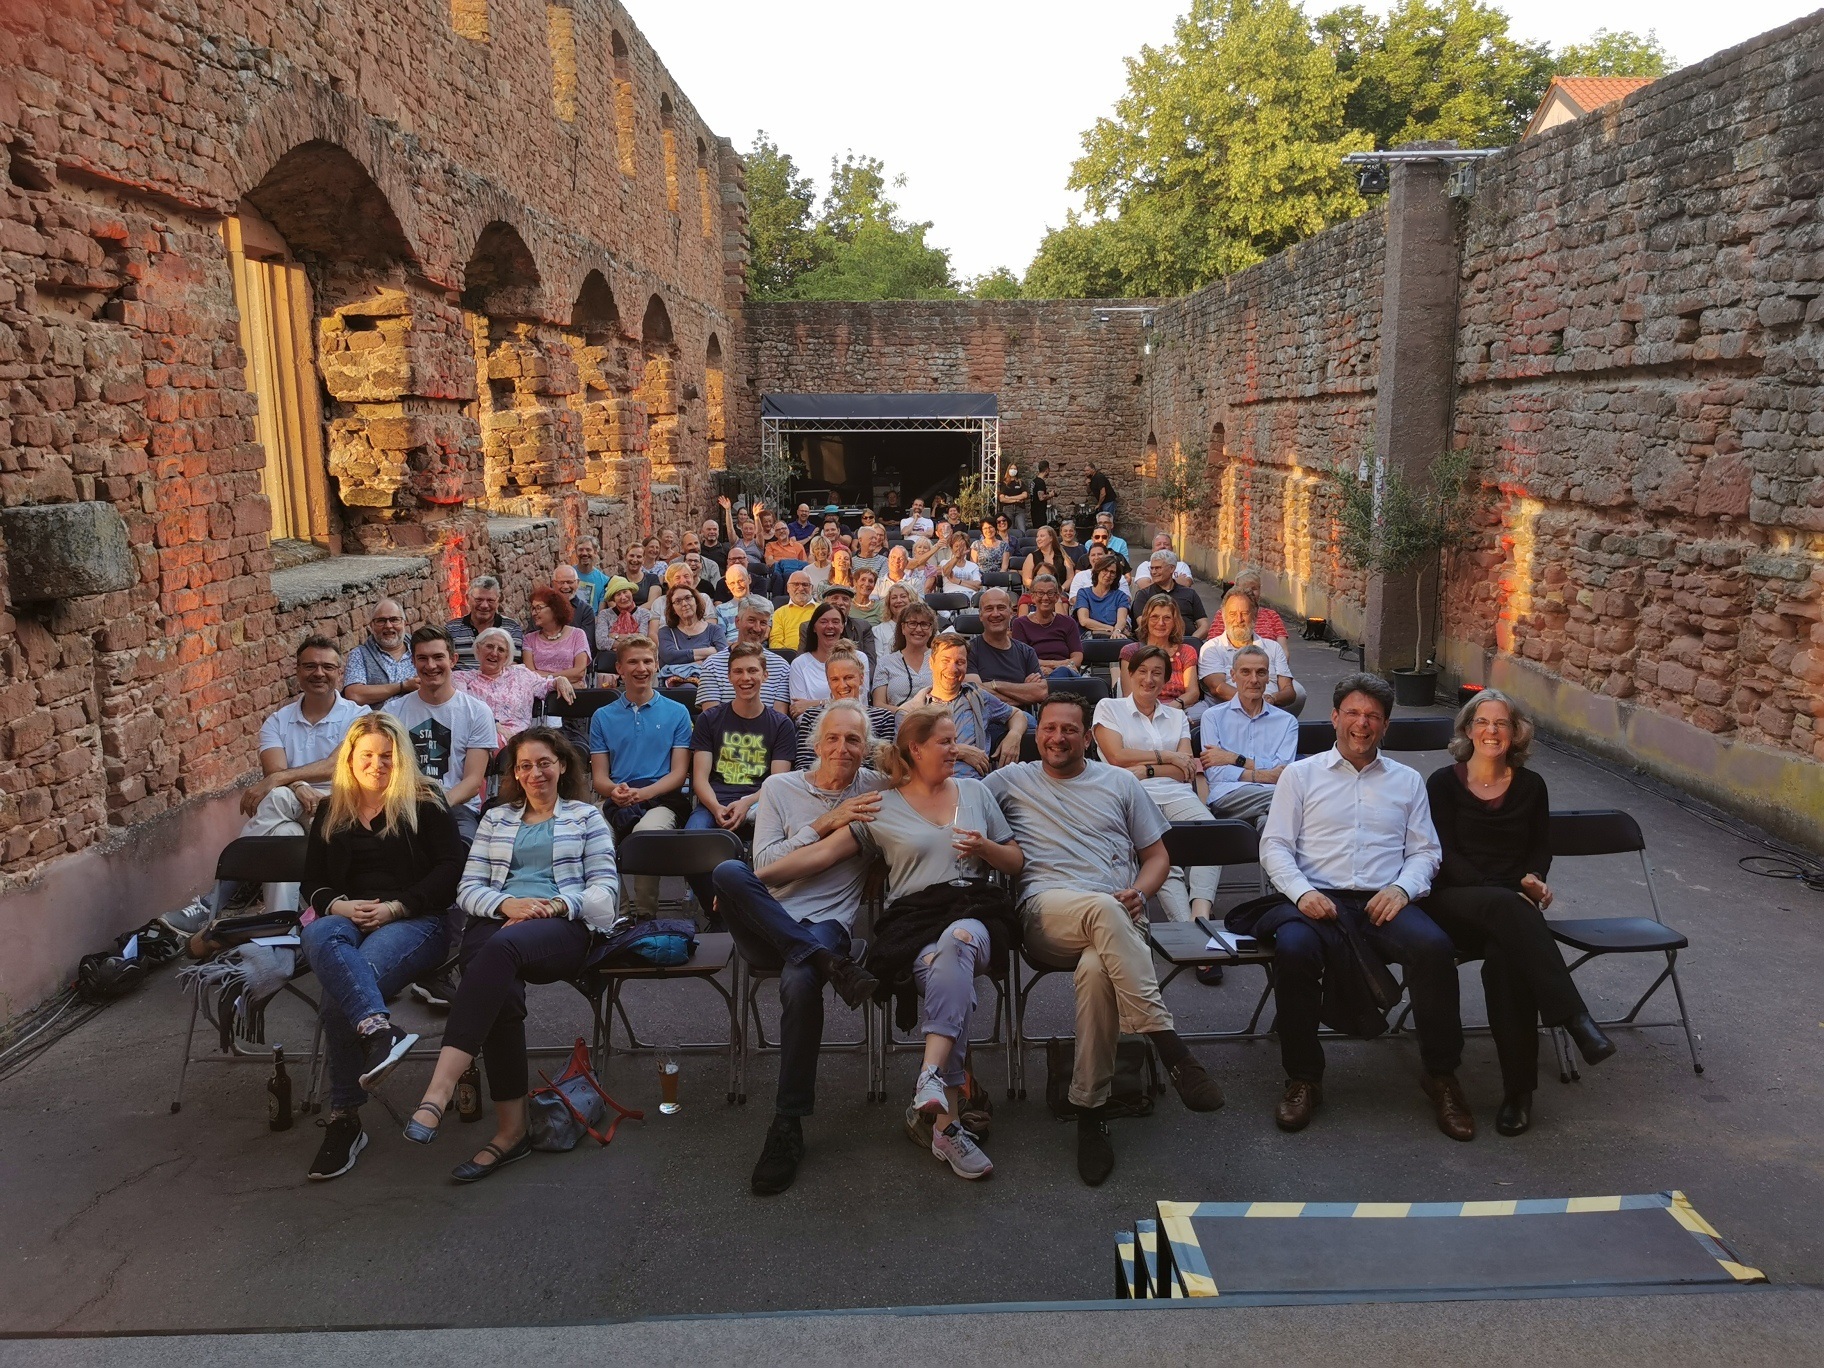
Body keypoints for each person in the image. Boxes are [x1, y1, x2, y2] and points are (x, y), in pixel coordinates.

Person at [762, 706, 1023, 1179]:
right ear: (915, 750)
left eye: (957, 741)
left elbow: (1015, 861)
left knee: (959, 942)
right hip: (916, 927)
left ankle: (931, 1078)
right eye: (946, 741)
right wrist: (750, 879)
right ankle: (945, 1123)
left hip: (976, 915)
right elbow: (818, 855)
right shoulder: (880, 806)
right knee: (948, 963)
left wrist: (985, 849)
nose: (956, 748)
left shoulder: (976, 791)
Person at [985, 693, 1223, 1185]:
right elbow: (948, 797)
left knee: (1097, 971)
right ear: (1038, 733)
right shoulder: (1009, 782)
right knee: (1102, 909)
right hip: (1048, 913)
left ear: (1088, 737)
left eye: (1069, 729)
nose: (1058, 737)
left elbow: (1157, 857)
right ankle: (1168, 1044)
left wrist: (1140, 890)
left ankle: (1089, 1110)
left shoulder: (1119, 782)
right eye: (1049, 728)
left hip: (1120, 914)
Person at [1240, 673, 1467, 1140]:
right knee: (1296, 951)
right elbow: (1276, 846)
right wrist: (1302, 893)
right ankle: (1304, 1077)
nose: (1362, 725)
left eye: (1373, 717)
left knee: (1434, 948)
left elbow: (1426, 852)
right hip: (1316, 898)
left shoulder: (1407, 781)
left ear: (1385, 726)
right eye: (1353, 714)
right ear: (1334, 717)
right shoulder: (1301, 776)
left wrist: (1403, 890)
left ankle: (1441, 1074)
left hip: (1386, 900)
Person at [404, 729, 620, 1183]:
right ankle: (511, 1131)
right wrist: (507, 905)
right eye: (524, 766)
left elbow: (605, 894)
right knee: (497, 979)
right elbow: (469, 889)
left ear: (562, 766)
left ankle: (439, 1093)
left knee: (497, 951)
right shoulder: (496, 819)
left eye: (544, 762)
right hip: (499, 922)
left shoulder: (586, 818)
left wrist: (556, 904)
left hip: (563, 929)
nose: (535, 773)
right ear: (514, 775)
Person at [712, 701, 886, 1194]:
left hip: (827, 923)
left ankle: (786, 1123)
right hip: (771, 920)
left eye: (853, 740)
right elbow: (763, 863)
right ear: (816, 743)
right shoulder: (779, 787)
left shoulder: (875, 788)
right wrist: (826, 824)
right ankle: (833, 964)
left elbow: (924, 781)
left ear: (865, 748)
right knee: (728, 871)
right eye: (833, 738)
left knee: (799, 978)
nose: (842, 748)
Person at [1424, 690, 1614, 1137]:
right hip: (1453, 902)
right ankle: (1575, 1019)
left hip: (1512, 912)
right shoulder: (1441, 783)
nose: (1492, 731)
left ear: (1515, 732)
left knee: (1508, 964)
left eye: (1502, 723)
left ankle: (1518, 1092)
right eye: (1483, 722)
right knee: (1510, 911)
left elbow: (1538, 849)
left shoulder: (1531, 786)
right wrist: (1513, 892)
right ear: (1468, 730)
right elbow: (1444, 856)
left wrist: (1533, 877)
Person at [297, 712, 463, 1180]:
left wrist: (396, 907)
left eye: (387, 757)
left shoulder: (425, 800)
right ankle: (378, 1031)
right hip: (348, 918)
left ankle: (345, 1119)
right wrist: (341, 907)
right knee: (318, 933)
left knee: (341, 989)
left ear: (402, 758)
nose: (377, 765)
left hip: (416, 921)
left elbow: (451, 870)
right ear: (349, 759)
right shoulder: (333, 809)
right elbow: (311, 881)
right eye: (366, 756)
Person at [220, 638, 368, 918]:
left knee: (276, 795)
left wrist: (285, 780)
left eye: (327, 666)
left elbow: (335, 766)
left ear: (340, 672)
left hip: (340, 811)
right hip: (292, 810)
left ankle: (231, 882)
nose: (318, 673)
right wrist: (298, 785)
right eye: (310, 666)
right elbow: (273, 772)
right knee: (284, 833)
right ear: (297, 670)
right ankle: (282, 930)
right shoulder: (277, 721)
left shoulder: (359, 717)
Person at [1093, 646, 1218, 924]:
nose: (1149, 679)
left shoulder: (1176, 717)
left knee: (1212, 836)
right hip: (1131, 795)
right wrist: (1168, 757)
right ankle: (1185, 927)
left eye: (1157, 673)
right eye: (1142, 671)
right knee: (1162, 854)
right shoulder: (1109, 708)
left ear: (1165, 680)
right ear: (1131, 673)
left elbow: (1185, 769)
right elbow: (1116, 757)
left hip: (1175, 792)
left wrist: (1148, 768)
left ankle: (1202, 917)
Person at [587, 636, 692, 916]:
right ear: (620, 668)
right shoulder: (602, 716)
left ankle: (646, 914)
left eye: (647, 661)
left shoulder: (677, 712)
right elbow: (599, 778)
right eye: (633, 661)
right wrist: (616, 792)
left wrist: (642, 794)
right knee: (592, 832)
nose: (641, 668)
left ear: (657, 664)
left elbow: (679, 773)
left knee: (645, 833)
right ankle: (615, 915)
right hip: (617, 797)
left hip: (661, 799)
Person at [384, 627, 495, 843]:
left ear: (453, 660)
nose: (431, 665)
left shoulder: (477, 712)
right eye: (422, 658)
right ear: (413, 662)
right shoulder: (393, 712)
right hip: (404, 805)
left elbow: (472, 782)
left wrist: (438, 804)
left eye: (438, 657)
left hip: (457, 808)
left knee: (461, 848)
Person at [689, 643, 796, 836]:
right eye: (738, 671)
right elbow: (700, 779)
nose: (745, 678)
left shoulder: (782, 725)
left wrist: (746, 803)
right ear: (729, 676)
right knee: (692, 836)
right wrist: (716, 808)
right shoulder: (709, 719)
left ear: (765, 675)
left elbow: (777, 783)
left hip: (761, 804)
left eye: (752, 670)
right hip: (713, 803)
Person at [1198, 645, 1297, 823]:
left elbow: (1283, 772)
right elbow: (1215, 773)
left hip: (1270, 795)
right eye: (1245, 672)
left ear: (1268, 677)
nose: (1254, 680)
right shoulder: (1212, 717)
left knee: (1267, 821)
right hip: (1229, 795)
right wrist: (1265, 774)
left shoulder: (1287, 722)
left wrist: (1234, 758)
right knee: (1293, 799)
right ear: (1233, 676)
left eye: (1260, 672)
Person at [903, 633, 1025, 777]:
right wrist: (960, 751)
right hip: (930, 789)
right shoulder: (910, 711)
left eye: (960, 662)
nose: (953, 669)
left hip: (975, 786)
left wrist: (1014, 735)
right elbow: (905, 756)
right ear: (931, 663)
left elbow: (1016, 714)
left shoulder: (979, 698)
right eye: (946, 661)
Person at [1193, 588, 1304, 720]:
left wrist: (1272, 699)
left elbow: (1289, 691)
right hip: (1226, 715)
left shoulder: (1273, 647)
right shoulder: (1212, 648)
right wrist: (1256, 702)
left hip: (1269, 713)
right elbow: (1217, 688)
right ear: (1223, 616)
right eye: (1232, 614)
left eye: (1244, 613)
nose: (1239, 620)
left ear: (1255, 615)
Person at [454, 626, 575, 746]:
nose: (494, 653)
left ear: (507, 656)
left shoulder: (521, 675)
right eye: (489, 646)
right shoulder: (462, 678)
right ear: (478, 648)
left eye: (501, 650)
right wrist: (495, 725)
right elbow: (464, 709)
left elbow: (545, 686)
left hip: (520, 742)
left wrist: (560, 680)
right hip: (480, 738)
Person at [796, 650, 898, 771]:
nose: (842, 685)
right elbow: (803, 766)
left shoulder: (883, 717)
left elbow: (881, 767)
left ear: (861, 678)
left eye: (848, 677)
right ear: (828, 682)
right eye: (835, 679)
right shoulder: (812, 715)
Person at [698, 597, 792, 714]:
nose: (757, 628)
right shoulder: (712, 665)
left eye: (763, 623)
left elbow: (779, 720)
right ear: (737, 622)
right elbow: (711, 720)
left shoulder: (781, 666)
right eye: (751, 620)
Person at [969, 587, 1051, 706]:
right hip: (985, 722)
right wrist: (1023, 690)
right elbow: (975, 694)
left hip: (1026, 722)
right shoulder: (969, 651)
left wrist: (994, 685)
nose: (996, 614)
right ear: (980, 615)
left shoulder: (1027, 652)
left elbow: (1041, 692)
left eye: (1001, 607)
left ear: (1011, 613)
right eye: (989, 609)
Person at [1121, 596, 1199, 708]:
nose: (1161, 623)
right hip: (1140, 711)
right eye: (1154, 617)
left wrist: (1173, 707)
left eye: (1167, 618)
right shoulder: (1130, 652)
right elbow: (1129, 694)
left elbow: (1193, 693)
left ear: (1175, 622)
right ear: (1146, 620)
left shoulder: (1187, 651)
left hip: (1177, 710)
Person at [789, 612, 872, 714]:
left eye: (835, 622)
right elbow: (798, 711)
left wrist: (817, 703)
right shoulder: (799, 663)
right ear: (814, 627)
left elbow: (860, 701)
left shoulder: (859, 657)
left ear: (842, 627)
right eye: (823, 622)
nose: (830, 626)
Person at [342, 600, 417, 706]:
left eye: (394, 619)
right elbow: (354, 695)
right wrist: (402, 686)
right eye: (381, 621)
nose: (388, 626)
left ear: (404, 623)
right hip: (378, 721)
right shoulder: (359, 655)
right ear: (371, 626)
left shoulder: (419, 649)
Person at [655, 579, 725, 685]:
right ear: (673, 608)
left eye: (688, 598)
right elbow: (669, 656)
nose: (684, 604)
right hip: (679, 685)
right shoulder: (666, 632)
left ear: (696, 601)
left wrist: (685, 658)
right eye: (678, 601)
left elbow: (724, 657)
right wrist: (709, 651)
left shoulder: (714, 630)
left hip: (711, 682)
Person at [1010, 575, 1083, 676]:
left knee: (1062, 672)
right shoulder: (1020, 624)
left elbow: (1077, 658)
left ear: (1057, 597)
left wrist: (1055, 668)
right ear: (1032, 597)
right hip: (1035, 674)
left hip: (1067, 674)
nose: (1045, 598)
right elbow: (1023, 659)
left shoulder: (1068, 622)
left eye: (1050, 593)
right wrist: (1059, 664)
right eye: (1040, 593)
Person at [446, 577, 523, 671]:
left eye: (490, 600)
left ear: (498, 601)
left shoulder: (511, 628)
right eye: (479, 600)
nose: (484, 605)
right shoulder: (451, 630)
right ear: (467, 599)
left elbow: (512, 667)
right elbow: (446, 663)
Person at [1130, 551, 1209, 639]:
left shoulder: (1190, 593)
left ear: (1171, 568)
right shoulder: (1143, 595)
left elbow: (1204, 625)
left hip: (1188, 642)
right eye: (1151, 568)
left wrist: (1192, 641)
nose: (1153, 572)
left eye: (1158, 568)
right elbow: (1143, 626)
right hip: (1157, 646)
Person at [873, 601, 937, 708]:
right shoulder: (885, 662)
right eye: (912, 623)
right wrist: (905, 714)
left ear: (931, 629)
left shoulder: (941, 659)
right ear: (903, 628)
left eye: (924, 624)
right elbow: (878, 704)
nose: (918, 629)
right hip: (896, 721)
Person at [523, 587, 591, 687]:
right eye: (533, 608)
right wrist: (559, 682)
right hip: (540, 697)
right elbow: (530, 676)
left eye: (538, 608)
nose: (533, 613)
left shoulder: (577, 635)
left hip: (574, 695)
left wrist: (547, 676)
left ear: (555, 608)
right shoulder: (529, 639)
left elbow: (579, 672)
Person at [1074, 556, 1131, 639]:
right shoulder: (1084, 593)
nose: (1108, 575)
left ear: (1116, 576)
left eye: (1112, 572)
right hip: (1089, 638)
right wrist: (1112, 629)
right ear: (1098, 571)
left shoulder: (1121, 596)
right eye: (1105, 570)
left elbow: (1121, 620)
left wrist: (1117, 631)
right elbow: (1084, 621)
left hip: (1114, 637)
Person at [1230, 569, 1289, 642]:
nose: (1250, 592)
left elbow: (1283, 650)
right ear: (1236, 590)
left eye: (1254, 589)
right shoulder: (1224, 616)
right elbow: (1214, 648)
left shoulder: (1272, 616)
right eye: (1245, 589)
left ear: (1260, 589)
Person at [769, 571, 817, 652]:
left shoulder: (822, 610)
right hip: (788, 659)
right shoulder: (779, 613)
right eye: (796, 584)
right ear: (788, 588)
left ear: (811, 588)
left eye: (805, 585)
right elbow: (775, 642)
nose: (801, 588)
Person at [551, 565, 598, 647]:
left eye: (570, 582)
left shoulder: (586, 611)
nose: (566, 587)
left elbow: (587, 644)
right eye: (561, 582)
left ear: (578, 582)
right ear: (552, 583)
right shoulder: (543, 608)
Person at [1021, 524, 1074, 595]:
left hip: (1060, 594)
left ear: (1051, 538)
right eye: (1037, 536)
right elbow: (1026, 580)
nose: (1038, 539)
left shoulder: (1063, 556)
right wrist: (1041, 590)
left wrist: (1061, 589)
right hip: (1038, 594)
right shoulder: (1031, 556)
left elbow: (1070, 578)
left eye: (1042, 536)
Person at [871, 582, 917, 659]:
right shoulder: (878, 631)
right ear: (888, 604)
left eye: (903, 596)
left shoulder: (924, 626)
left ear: (912, 600)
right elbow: (879, 662)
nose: (898, 600)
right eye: (894, 598)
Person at [935, 530, 983, 596]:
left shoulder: (973, 566)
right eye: (956, 546)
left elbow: (978, 585)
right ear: (951, 548)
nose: (959, 549)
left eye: (962, 546)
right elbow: (946, 572)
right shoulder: (945, 562)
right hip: (951, 596)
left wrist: (957, 581)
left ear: (967, 549)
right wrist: (957, 557)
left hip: (970, 596)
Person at [716, 564, 753, 635]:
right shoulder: (720, 609)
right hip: (732, 645)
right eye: (732, 583)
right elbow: (721, 639)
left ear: (749, 579)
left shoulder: (764, 604)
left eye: (741, 581)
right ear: (727, 584)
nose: (737, 586)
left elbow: (766, 634)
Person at [573, 540, 610, 610]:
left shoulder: (604, 581)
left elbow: (601, 612)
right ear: (576, 552)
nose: (584, 553)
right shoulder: (567, 575)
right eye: (580, 550)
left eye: (588, 550)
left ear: (595, 552)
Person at [998, 462, 1030, 530]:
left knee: (1022, 529)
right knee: (1009, 529)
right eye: (1011, 468)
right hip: (1008, 509)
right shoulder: (1004, 484)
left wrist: (1009, 498)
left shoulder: (1020, 482)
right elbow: (1002, 499)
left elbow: (1024, 495)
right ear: (1008, 470)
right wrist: (1016, 500)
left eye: (1015, 469)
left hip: (1019, 509)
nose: (1013, 470)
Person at [1030, 460, 1052, 528]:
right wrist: (1051, 495)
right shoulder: (1040, 482)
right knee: (1041, 530)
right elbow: (1041, 497)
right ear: (1047, 470)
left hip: (1034, 510)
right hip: (1039, 512)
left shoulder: (1033, 481)